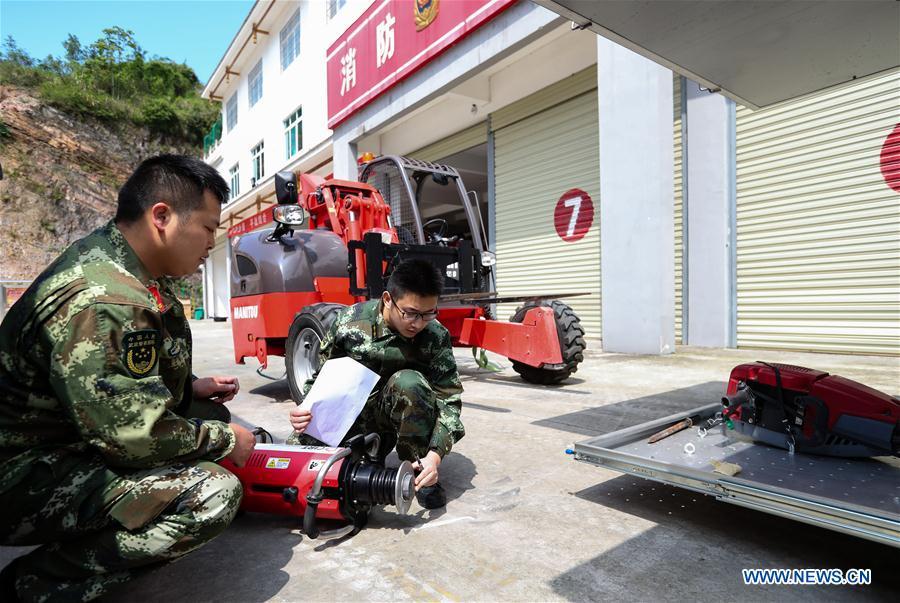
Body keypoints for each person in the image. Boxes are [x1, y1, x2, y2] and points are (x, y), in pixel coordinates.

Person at [0, 154, 256, 602]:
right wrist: (226, 439)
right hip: (19, 475)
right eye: (209, 228)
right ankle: (35, 584)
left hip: (66, 432)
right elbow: (134, 438)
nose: (211, 244)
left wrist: (187, 386)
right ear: (162, 216)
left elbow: (124, 370)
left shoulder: (126, 263)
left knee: (204, 409)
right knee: (212, 493)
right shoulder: (106, 298)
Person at [288, 259, 465, 509]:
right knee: (294, 470)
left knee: (409, 382)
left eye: (428, 314)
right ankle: (365, 457)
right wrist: (304, 409)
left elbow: (449, 399)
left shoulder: (435, 336)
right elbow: (321, 377)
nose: (418, 323)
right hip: (346, 418)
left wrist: (435, 456)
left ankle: (419, 471)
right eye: (411, 313)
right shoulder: (349, 322)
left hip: (391, 419)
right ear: (387, 299)